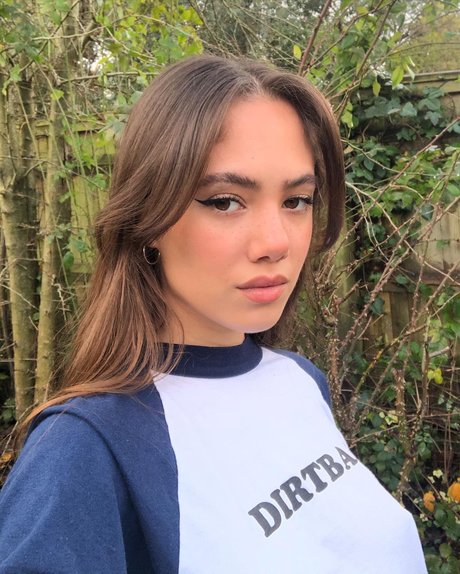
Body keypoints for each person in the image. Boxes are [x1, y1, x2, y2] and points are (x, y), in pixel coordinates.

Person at [0, 55, 427, 573]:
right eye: (225, 202)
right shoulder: (87, 449)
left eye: (297, 200)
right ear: (148, 216)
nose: (276, 242)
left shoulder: (300, 379)